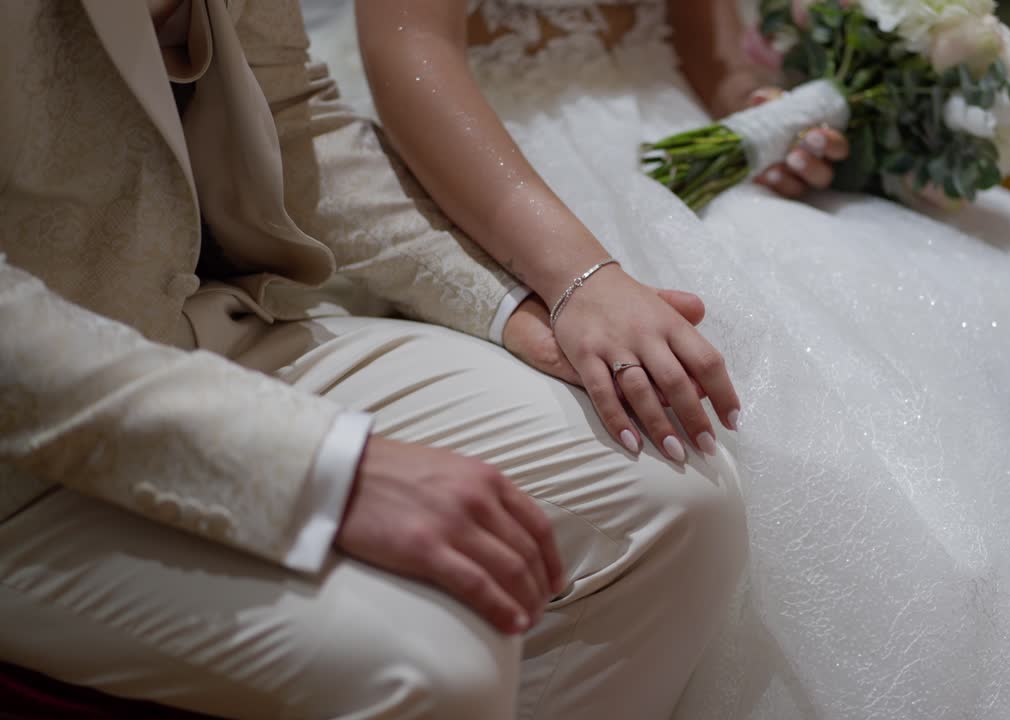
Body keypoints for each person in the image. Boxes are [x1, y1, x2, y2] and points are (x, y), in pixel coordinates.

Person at [301, 0, 1010, 717]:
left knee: (975, 330)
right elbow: (410, 57)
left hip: (682, 144)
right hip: (516, 165)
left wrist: (762, 117)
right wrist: (573, 275)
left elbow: (707, 56)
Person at [0, 1, 747, 718]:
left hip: (220, 323)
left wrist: (518, 301)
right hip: (24, 453)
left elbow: (293, 118)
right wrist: (321, 467)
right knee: (437, 662)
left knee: (680, 502)